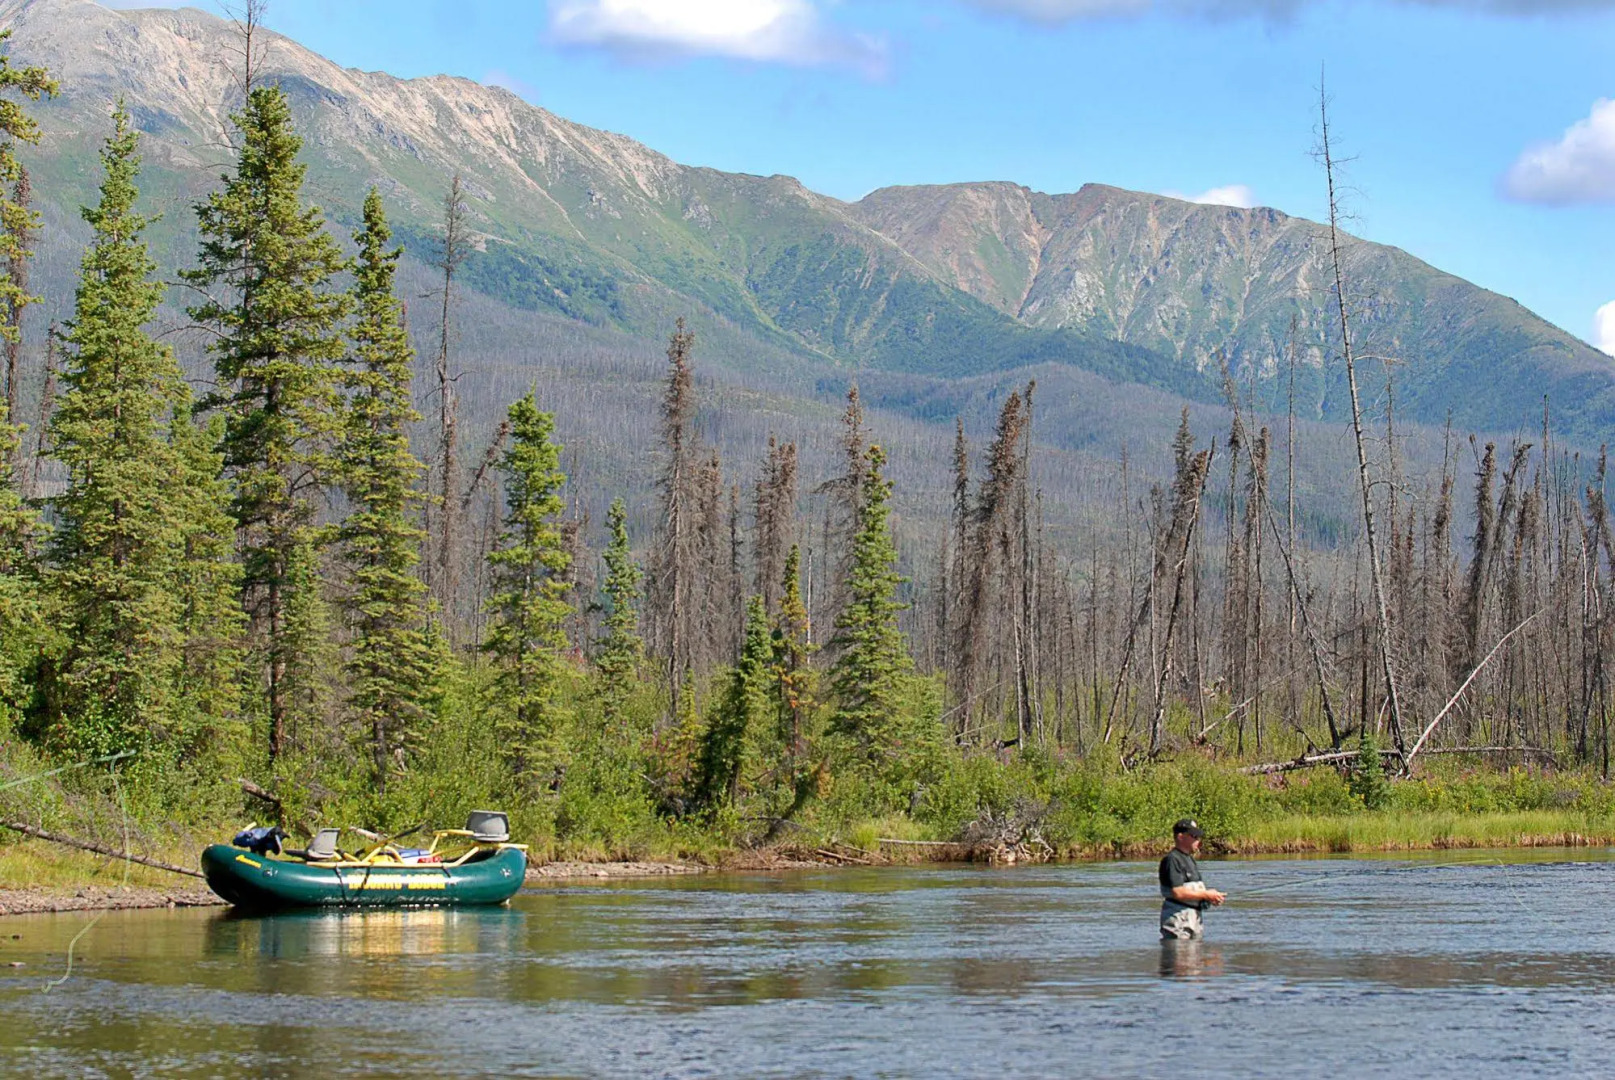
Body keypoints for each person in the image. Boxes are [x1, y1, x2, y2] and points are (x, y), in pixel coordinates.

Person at [1158, 818, 1225, 940]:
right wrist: (1206, 894)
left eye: (1198, 837)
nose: (1198, 840)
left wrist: (1209, 898)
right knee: (1179, 951)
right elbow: (1177, 892)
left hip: (1194, 918)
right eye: (1194, 836)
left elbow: (1193, 890)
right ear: (1180, 837)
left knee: (1195, 952)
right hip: (1179, 918)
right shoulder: (1172, 860)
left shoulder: (1189, 859)